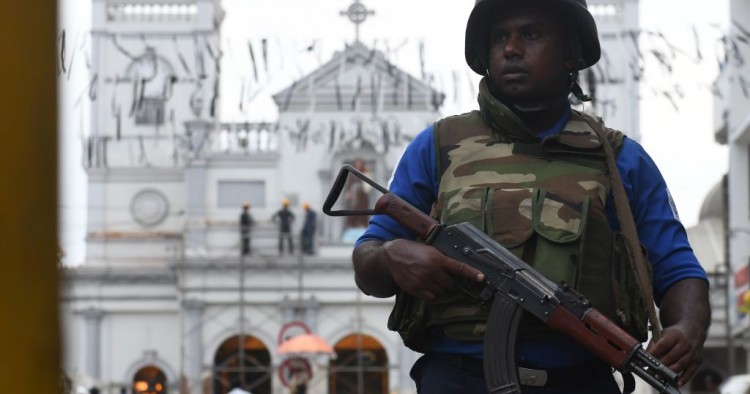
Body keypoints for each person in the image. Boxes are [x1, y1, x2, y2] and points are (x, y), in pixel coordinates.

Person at [351, 0, 711, 393]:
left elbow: (678, 268)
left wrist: (688, 327)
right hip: (457, 380)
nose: (511, 48)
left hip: (578, 382)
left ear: (570, 50)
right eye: (500, 36)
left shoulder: (619, 158)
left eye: (532, 34)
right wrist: (390, 257)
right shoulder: (437, 147)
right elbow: (369, 256)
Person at [344, 159, 371, 229]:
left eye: (360, 164)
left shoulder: (365, 173)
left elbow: (368, 185)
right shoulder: (352, 174)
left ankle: (361, 224)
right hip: (354, 196)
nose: (358, 165)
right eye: (357, 164)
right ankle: (352, 225)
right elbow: (349, 184)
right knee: (353, 210)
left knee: (362, 210)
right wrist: (348, 192)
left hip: (362, 196)